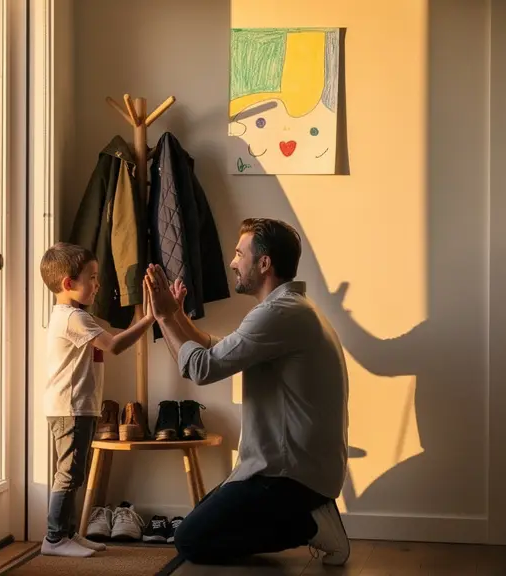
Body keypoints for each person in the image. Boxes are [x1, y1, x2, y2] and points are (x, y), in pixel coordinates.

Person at [142, 218, 351, 566]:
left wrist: (164, 318)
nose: (232, 262)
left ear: (264, 263)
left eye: (240, 254)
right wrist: (176, 317)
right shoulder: (290, 310)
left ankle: (309, 523)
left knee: (190, 540)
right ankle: (305, 516)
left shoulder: (278, 313)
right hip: (293, 473)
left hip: (289, 478)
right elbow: (220, 350)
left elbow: (202, 367)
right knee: (202, 525)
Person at [40, 242, 155, 557]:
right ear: (68, 284)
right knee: (69, 473)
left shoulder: (73, 315)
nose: (97, 283)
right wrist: (149, 319)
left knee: (75, 471)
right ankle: (53, 539)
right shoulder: (72, 318)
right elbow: (114, 345)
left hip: (79, 407)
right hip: (71, 408)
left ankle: (67, 533)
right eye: (91, 277)